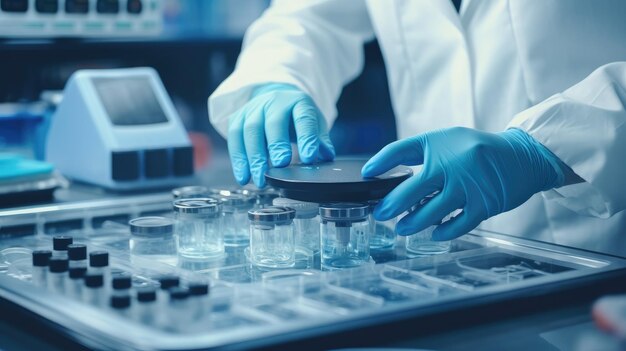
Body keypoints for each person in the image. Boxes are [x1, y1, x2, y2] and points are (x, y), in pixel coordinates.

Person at [208, 1, 626, 256]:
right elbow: (308, 16)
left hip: (600, 246)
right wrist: (278, 77)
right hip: (435, 250)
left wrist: (547, 150)